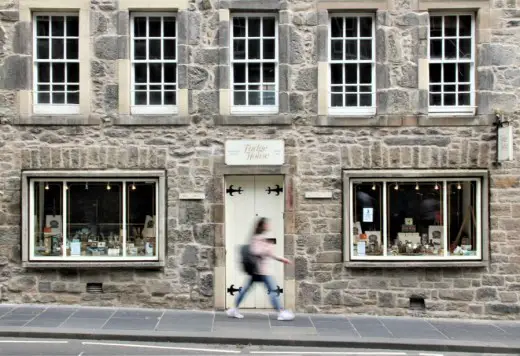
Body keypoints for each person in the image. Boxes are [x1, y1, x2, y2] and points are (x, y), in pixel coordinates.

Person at [227, 217, 295, 321]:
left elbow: (270, 254)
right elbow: (256, 251)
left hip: (259, 271)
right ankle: (281, 312)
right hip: (260, 271)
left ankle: (234, 309)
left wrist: (283, 259)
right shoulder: (258, 237)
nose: (269, 226)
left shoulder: (262, 237)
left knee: (245, 290)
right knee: (272, 290)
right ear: (263, 225)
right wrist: (267, 248)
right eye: (267, 224)